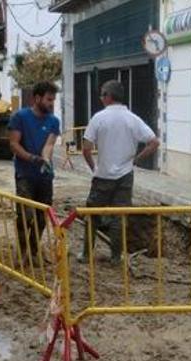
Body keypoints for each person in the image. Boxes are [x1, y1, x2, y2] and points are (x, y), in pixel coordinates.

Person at [80, 80, 160, 264]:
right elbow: (154, 142)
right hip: (125, 176)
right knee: (119, 216)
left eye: (102, 94)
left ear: (108, 96)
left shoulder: (98, 118)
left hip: (102, 176)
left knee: (92, 214)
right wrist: (135, 161)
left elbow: (86, 148)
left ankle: (86, 254)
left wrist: (94, 168)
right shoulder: (133, 119)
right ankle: (116, 257)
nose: (101, 98)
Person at [8, 81, 60, 259]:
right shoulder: (20, 117)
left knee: (41, 216)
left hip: (44, 176)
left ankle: (34, 249)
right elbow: (14, 144)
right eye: (48, 99)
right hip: (25, 174)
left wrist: (44, 158)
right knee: (25, 215)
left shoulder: (54, 121)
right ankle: (22, 251)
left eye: (53, 99)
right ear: (37, 98)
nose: (51, 103)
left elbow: (49, 144)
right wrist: (31, 158)